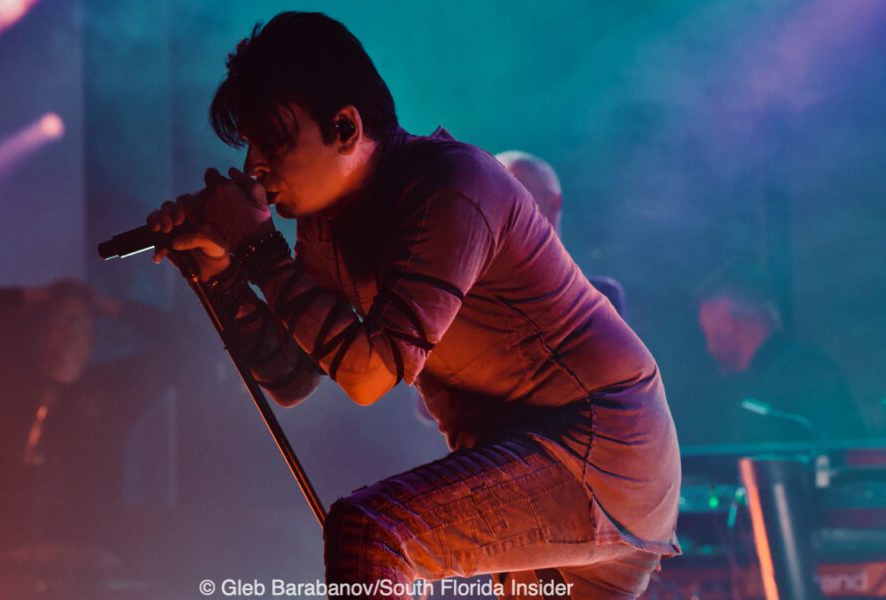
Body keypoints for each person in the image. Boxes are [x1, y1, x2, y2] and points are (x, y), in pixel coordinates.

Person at [146, 12, 680, 598]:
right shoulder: (326, 226)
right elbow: (293, 376)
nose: (254, 166)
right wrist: (219, 267)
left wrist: (256, 248)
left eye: (273, 141)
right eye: (249, 145)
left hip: (597, 447)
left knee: (371, 532)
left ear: (345, 128)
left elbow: (370, 375)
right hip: (528, 456)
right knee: (374, 534)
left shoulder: (452, 188)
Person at [0, 280, 179, 595]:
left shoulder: (110, 393)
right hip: (1, 574)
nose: (73, 330)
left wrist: (111, 306)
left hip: (91, 575)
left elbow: (189, 344)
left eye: (83, 321)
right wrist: (20, 298)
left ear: (94, 337)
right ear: (38, 330)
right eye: (62, 319)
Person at [696, 264, 861, 443]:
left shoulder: (808, 375)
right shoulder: (803, 369)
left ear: (730, 325)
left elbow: (841, 448)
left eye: (709, 335)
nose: (709, 348)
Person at [494, 150, 626, 318]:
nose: (503, 208)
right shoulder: (473, 289)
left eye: (517, 198)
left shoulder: (598, 296)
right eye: (496, 198)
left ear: (553, 203)